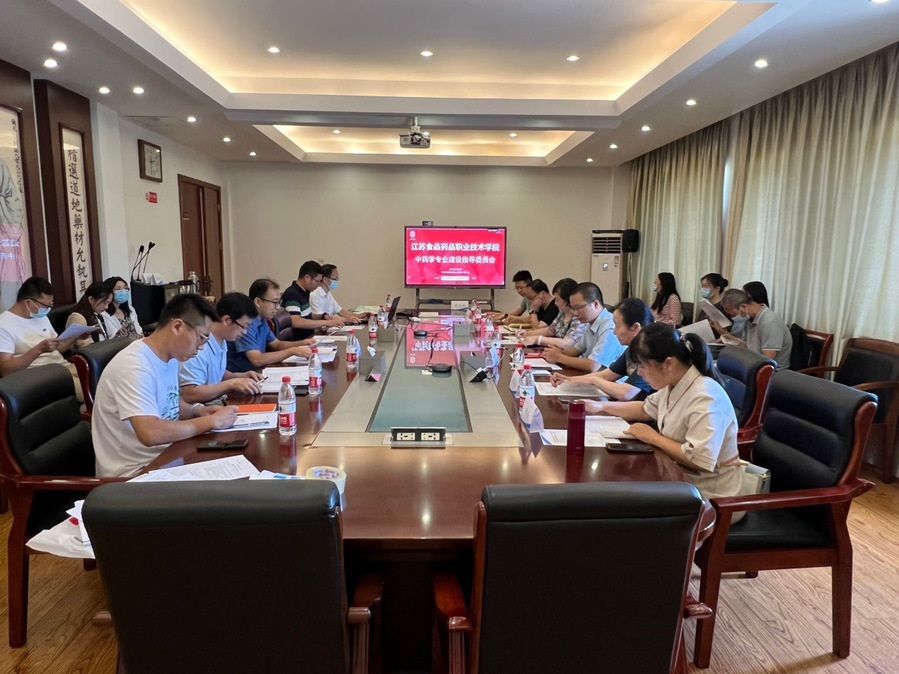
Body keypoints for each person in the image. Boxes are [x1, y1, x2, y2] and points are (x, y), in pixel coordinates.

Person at [584, 323, 742, 500]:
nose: (639, 373)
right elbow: (645, 408)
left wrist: (653, 438)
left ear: (668, 363)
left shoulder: (705, 397)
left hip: (705, 492)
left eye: (642, 366)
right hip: (674, 476)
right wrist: (601, 407)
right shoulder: (675, 383)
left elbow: (699, 459)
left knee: (615, 497)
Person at [92, 294, 239, 477]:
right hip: (134, 474)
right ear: (177, 326)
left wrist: (197, 410)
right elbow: (150, 433)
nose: (201, 347)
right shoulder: (134, 366)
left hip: (168, 457)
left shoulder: (169, 358)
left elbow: (166, 403)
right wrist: (211, 421)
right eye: (201, 338)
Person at [551, 297, 654, 400]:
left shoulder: (650, 351)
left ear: (635, 327)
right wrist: (568, 380)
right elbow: (605, 375)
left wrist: (594, 380)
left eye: (617, 326)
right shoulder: (632, 348)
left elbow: (625, 393)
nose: (614, 332)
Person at [179, 292, 264, 404]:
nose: (244, 332)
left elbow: (216, 373)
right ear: (227, 320)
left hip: (218, 405)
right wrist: (231, 384)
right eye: (243, 326)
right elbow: (190, 394)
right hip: (201, 410)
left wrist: (238, 376)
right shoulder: (199, 346)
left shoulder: (221, 340)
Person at [0, 277, 80, 383]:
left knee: (97, 377)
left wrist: (75, 336)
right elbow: (6, 371)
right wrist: (39, 349)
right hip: (40, 378)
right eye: (46, 306)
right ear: (28, 302)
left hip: (63, 368)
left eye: (50, 305)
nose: (48, 309)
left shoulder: (40, 316)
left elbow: (57, 349)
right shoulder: (4, 325)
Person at [227, 278, 314, 373]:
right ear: (258, 302)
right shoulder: (245, 324)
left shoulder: (262, 319)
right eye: (275, 302)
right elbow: (257, 360)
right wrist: (292, 351)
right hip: (241, 376)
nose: (278, 307)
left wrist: (302, 343)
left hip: (256, 373)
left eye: (279, 302)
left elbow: (276, 344)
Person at [542, 282, 625, 373]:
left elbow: (593, 365)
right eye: (573, 308)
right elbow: (576, 350)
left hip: (610, 380)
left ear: (595, 304)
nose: (575, 313)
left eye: (578, 308)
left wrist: (559, 357)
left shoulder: (610, 327)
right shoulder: (591, 323)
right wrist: (555, 353)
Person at [720, 286, 793, 370]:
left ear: (743, 307)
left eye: (733, 314)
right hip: (754, 364)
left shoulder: (770, 322)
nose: (732, 318)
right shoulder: (749, 319)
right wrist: (735, 340)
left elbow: (768, 360)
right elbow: (750, 347)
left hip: (773, 371)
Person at [281, 260, 344, 340]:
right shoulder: (292, 294)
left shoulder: (304, 292)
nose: (319, 285)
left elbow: (306, 315)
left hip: (309, 338)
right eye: (317, 281)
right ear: (307, 278)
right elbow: (295, 321)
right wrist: (325, 322)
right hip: (300, 341)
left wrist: (322, 316)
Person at [521, 278, 586, 350]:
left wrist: (537, 339)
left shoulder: (580, 317)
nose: (555, 303)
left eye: (557, 299)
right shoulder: (562, 313)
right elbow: (550, 330)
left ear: (567, 299)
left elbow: (566, 344)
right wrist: (527, 333)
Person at [65, 281, 114, 348]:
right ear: (91, 299)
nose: (106, 307)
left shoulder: (97, 315)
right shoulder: (78, 317)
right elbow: (83, 346)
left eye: (108, 303)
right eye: (105, 303)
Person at [696, 273, 729, 337]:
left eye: (706, 286)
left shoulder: (724, 306)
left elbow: (727, 330)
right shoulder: (705, 305)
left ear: (717, 288)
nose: (703, 289)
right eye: (702, 286)